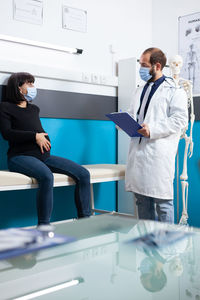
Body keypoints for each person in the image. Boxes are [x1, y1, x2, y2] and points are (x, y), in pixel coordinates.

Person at [0, 72, 91, 226]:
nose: (32, 87)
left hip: (43, 156)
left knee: (83, 174)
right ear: (18, 87)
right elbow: (7, 134)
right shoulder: (5, 107)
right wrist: (35, 136)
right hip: (19, 157)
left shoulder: (34, 109)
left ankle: (85, 220)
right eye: (29, 84)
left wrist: (41, 138)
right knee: (47, 177)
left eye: (33, 83)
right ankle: (44, 225)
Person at [125, 47, 188, 223]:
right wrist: (124, 122)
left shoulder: (174, 90)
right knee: (142, 201)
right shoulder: (139, 90)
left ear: (157, 65)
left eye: (144, 65)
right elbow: (134, 114)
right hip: (139, 153)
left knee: (163, 203)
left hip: (158, 154)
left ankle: (166, 249)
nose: (141, 69)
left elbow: (180, 120)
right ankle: (147, 246)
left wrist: (152, 129)